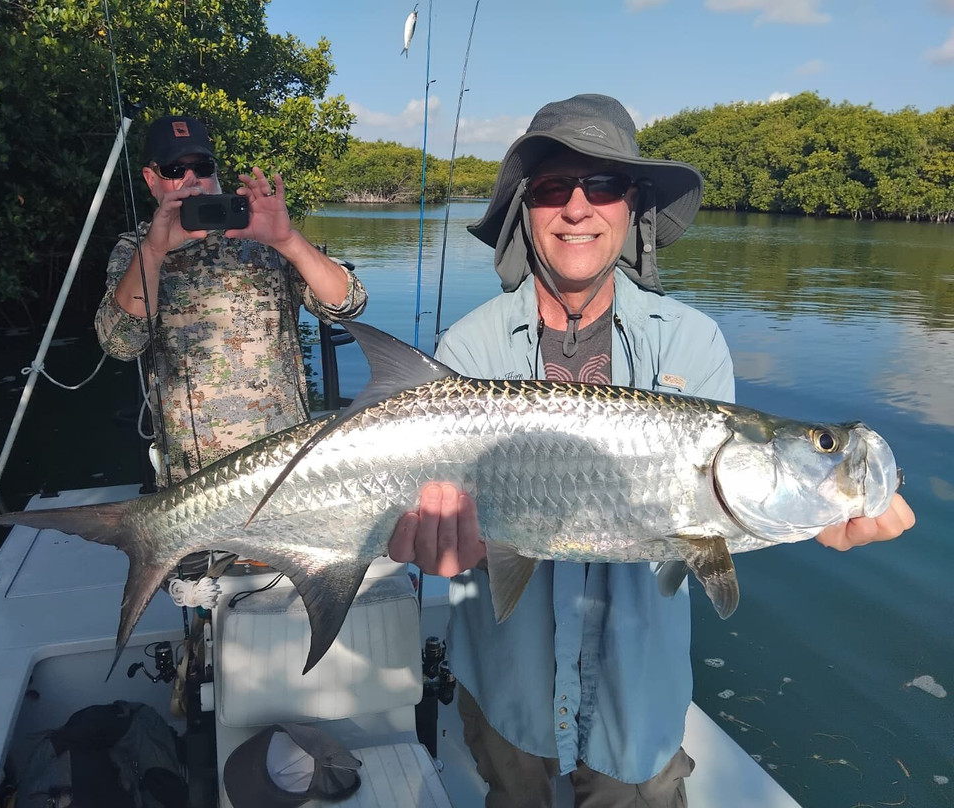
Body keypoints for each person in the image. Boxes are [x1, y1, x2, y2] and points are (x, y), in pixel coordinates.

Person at [387, 94, 916, 807]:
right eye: (551, 189)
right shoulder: (468, 349)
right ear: (526, 212)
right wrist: (439, 546)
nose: (577, 208)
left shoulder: (693, 343)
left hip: (636, 703)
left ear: (632, 206)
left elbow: (720, 518)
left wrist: (826, 511)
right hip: (505, 684)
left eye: (601, 185)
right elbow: (443, 528)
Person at [95, 115, 367, 486]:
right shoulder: (136, 251)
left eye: (202, 167)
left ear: (216, 172)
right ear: (151, 179)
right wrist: (155, 250)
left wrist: (288, 241)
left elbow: (349, 303)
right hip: (194, 483)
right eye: (176, 169)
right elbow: (121, 344)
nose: (192, 180)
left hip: (282, 469)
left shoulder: (261, 237)